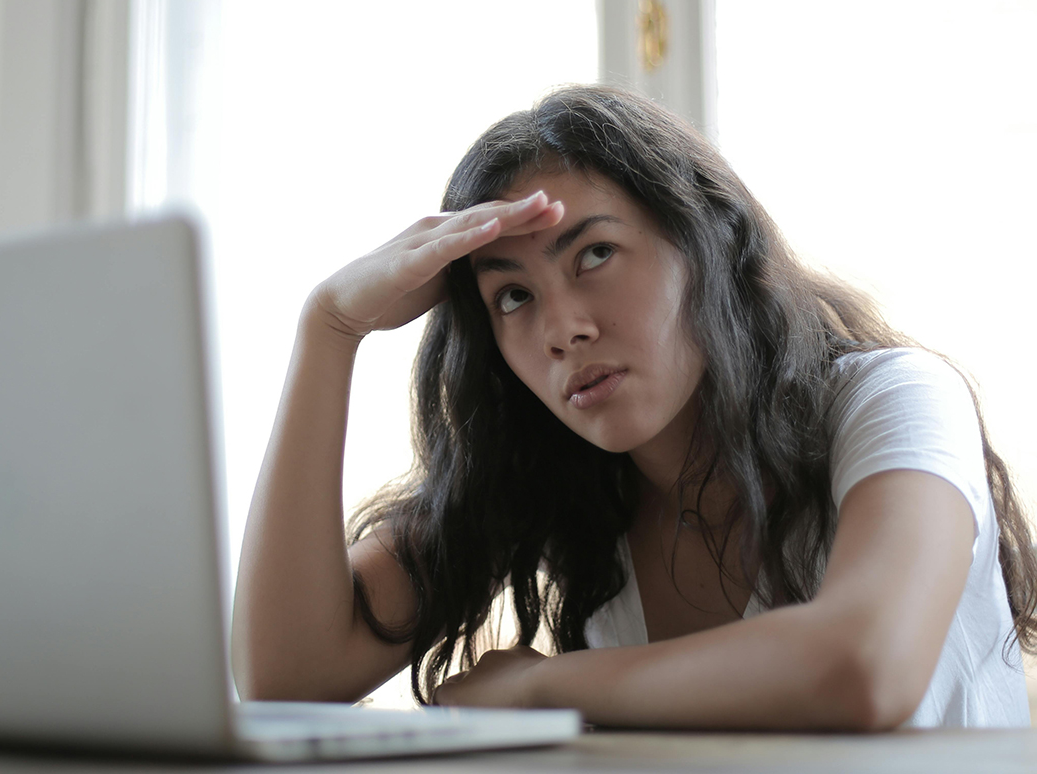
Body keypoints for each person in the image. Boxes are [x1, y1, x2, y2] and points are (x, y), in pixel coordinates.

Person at [230, 84, 1037, 729]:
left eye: (595, 254)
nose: (562, 329)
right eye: (512, 296)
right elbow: (287, 675)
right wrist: (328, 328)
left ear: (706, 240)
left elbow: (866, 668)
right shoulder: (557, 477)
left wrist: (544, 691)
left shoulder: (892, 400)